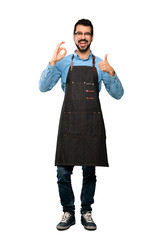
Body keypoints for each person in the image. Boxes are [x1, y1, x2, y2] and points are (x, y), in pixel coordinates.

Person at [39, 19, 124, 231]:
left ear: (92, 37)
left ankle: (86, 211)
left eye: (87, 33)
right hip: (69, 124)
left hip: (91, 125)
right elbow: (43, 87)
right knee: (62, 173)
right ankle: (68, 211)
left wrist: (112, 73)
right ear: (74, 36)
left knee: (89, 172)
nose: (83, 37)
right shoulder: (64, 62)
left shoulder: (100, 64)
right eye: (79, 33)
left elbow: (118, 95)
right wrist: (51, 63)